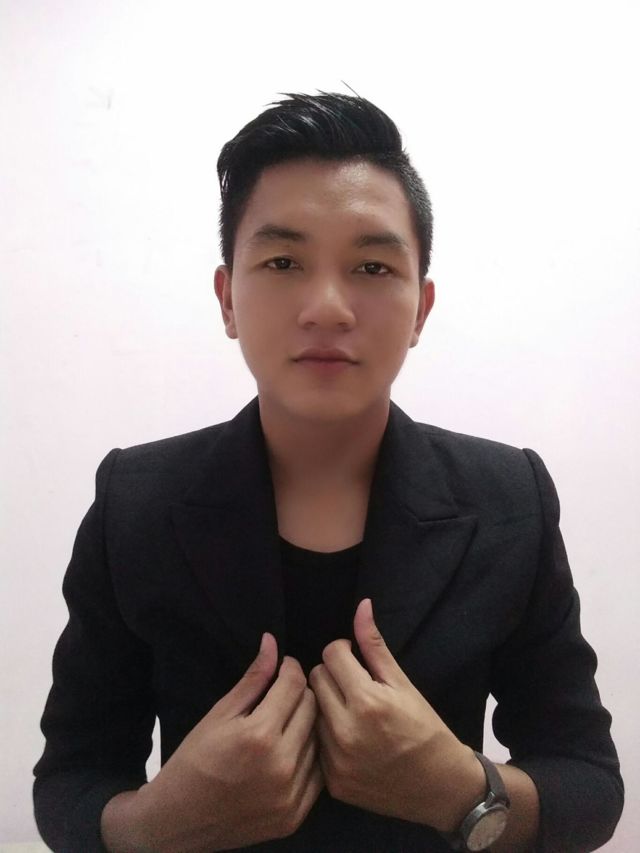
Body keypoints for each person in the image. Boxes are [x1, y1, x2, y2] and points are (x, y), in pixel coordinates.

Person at [33, 90, 623, 853]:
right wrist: (155, 824)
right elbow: (70, 777)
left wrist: (460, 790)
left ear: (421, 309)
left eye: (372, 265)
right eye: (283, 261)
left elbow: (588, 778)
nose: (327, 306)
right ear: (227, 298)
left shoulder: (509, 499)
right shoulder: (134, 503)